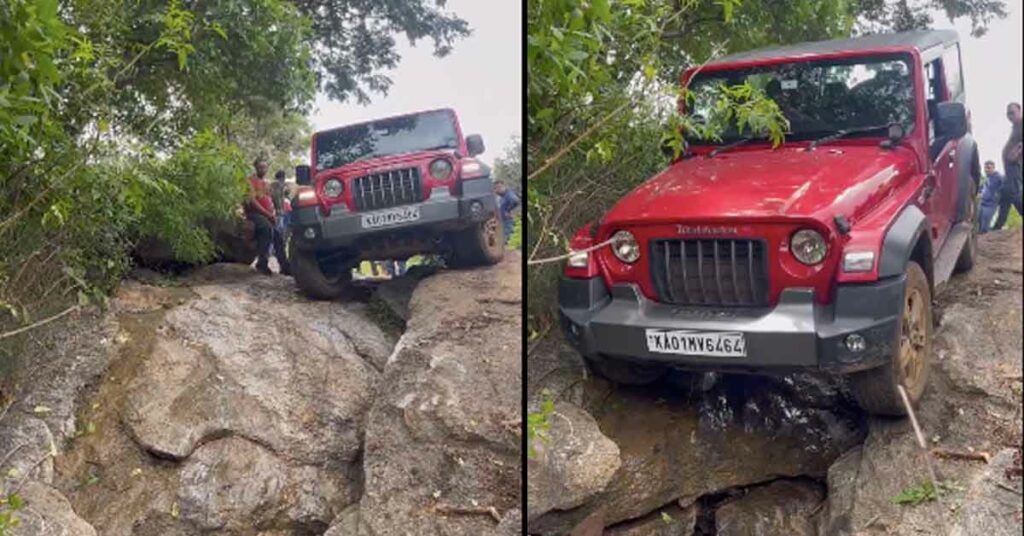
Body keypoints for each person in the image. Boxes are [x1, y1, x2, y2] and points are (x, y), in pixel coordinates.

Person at [244, 158, 289, 276]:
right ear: (255, 168)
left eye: (264, 167)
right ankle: (262, 263)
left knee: (278, 236)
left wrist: (273, 213)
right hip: (254, 214)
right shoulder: (250, 181)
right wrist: (267, 214)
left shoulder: (266, 184)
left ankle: (285, 266)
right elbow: (252, 201)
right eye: (260, 167)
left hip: (267, 214)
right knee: (267, 230)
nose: (262, 169)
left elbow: (270, 200)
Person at [992, 102, 1023, 231]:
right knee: (1006, 195)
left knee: (1012, 194)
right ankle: (997, 227)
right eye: (1008, 113)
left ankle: (998, 227)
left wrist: (1016, 154)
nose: (1009, 115)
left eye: (1012, 112)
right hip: (1010, 168)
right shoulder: (1015, 127)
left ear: (1020, 111)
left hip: (1014, 166)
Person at [978, 160, 1003, 233]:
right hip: (982, 203)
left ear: (993, 168)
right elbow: (982, 187)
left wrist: (997, 196)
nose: (986, 170)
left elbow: (1005, 188)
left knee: (984, 227)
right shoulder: (988, 178)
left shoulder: (998, 177)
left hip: (990, 205)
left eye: (989, 168)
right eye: (985, 168)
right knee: (978, 223)